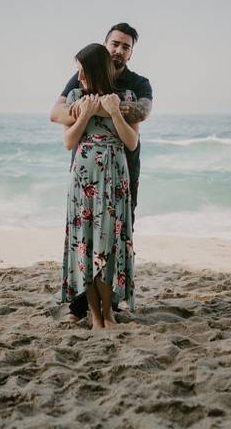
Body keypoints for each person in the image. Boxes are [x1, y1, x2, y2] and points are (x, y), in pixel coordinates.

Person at [50, 23, 153, 322]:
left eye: (126, 46)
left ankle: (110, 308)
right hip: (84, 175)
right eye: (115, 44)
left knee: (115, 239)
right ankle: (82, 309)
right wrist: (85, 111)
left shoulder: (138, 85)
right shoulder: (81, 80)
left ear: (131, 53)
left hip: (121, 172)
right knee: (86, 240)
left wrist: (112, 109)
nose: (119, 50)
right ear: (105, 47)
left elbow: (141, 115)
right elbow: (56, 115)